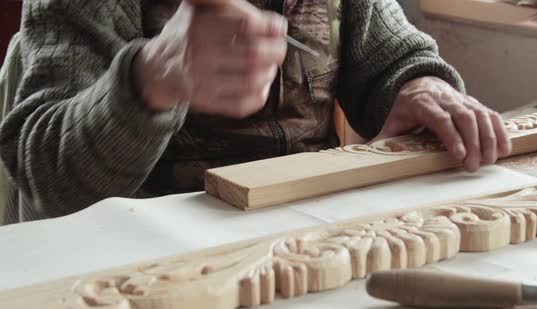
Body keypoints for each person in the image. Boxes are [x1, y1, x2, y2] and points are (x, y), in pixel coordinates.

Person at [0, 0, 511, 224]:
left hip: (310, 239)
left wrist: (418, 85)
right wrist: (150, 79)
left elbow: (394, 55)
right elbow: (45, 176)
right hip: (144, 268)